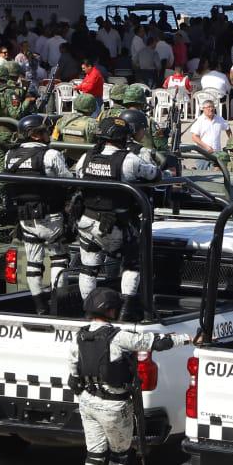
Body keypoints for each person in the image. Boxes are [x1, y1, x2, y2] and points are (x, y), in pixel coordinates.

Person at [69, 288, 190, 465]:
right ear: (110, 310)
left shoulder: (80, 336)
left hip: (87, 403)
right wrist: (186, 339)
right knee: (119, 454)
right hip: (114, 406)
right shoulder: (118, 337)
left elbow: (73, 375)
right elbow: (154, 342)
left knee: (94, 455)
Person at [73, 114, 160, 315]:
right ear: (123, 137)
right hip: (116, 226)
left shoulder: (86, 157)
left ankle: (89, 313)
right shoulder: (129, 159)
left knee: (88, 268)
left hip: (87, 222)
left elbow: (78, 175)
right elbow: (154, 174)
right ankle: (125, 312)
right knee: (133, 262)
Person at [4, 114, 73, 317]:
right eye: (44, 131)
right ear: (35, 135)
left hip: (25, 218)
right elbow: (68, 179)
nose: (47, 135)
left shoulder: (10, 155)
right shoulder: (50, 155)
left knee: (34, 264)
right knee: (59, 259)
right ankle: (59, 305)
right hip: (52, 217)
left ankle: (40, 307)